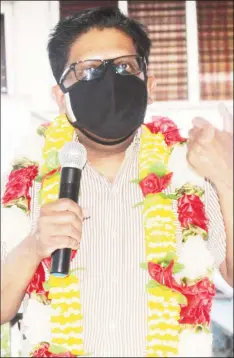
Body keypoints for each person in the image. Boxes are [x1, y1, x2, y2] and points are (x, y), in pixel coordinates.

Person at [1, 6, 233, 358]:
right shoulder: (28, 178)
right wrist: (34, 244)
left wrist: (228, 178)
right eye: (89, 71)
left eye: (125, 67)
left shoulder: (190, 169)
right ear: (60, 96)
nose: (110, 82)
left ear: (149, 86)